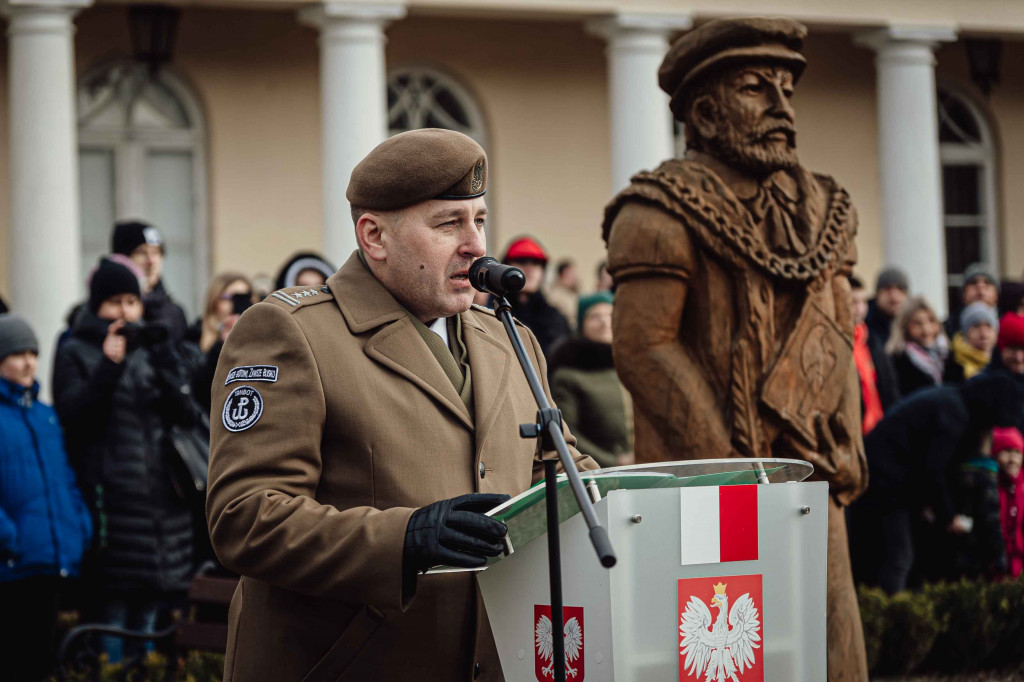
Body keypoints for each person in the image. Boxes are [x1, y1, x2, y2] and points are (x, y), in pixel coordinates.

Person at [206, 128, 596, 682]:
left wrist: (643, 501)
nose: (477, 245)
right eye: (448, 224)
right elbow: (243, 516)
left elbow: (558, 472)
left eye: (480, 220)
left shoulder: (508, 338)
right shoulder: (290, 333)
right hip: (351, 664)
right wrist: (403, 538)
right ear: (375, 237)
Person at [601, 18, 867, 678]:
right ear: (705, 112)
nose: (781, 107)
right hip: (707, 488)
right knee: (726, 651)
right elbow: (645, 347)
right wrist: (731, 465)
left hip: (811, 471)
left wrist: (851, 438)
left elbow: (836, 335)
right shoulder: (656, 212)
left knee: (833, 642)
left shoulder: (825, 209)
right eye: (756, 89)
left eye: (787, 90)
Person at [52, 257, 198, 663]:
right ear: (97, 305)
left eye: (132, 301)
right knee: (112, 619)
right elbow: (74, 418)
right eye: (114, 301)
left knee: (151, 617)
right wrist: (109, 367)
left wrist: (166, 357)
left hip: (162, 510)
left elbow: (187, 415)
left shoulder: (153, 349)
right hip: (112, 506)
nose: (124, 311)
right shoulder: (76, 349)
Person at [851, 372, 1023, 594]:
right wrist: (948, 516)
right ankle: (890, 617)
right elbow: (932, 470)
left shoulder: (951, 401)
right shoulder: (954, 414)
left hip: (883, 479)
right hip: (883, 484)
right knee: (899, 557)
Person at [0, 314, 92, 681]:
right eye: (17, 354)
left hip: (50, 561)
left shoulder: (45, 415)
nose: (28, 363)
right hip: (12, 565)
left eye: (33, 353)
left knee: (40, 665)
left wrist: (79, 526)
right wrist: (9, 538)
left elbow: (64, 479)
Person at [550, 291, 634, 468]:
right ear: (582, 324)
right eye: (595, 316)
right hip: (599, 473)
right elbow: (568, 432)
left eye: (610, 315)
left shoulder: (633, 366)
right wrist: (614, 462)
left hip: (644, 466)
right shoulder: (568, 374)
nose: (605, 322)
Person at [112, 220, 190, 344]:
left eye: (156, 252)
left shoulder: (174, 313)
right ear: (122, 259)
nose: (151, 261)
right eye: (141, 252)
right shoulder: (109, 310)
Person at [499, 236, 571, 360]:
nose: (530, 269)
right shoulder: (490, 311)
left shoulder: (555, 318)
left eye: (536, 263)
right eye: (522, 261)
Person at [850, 275, 899, 434]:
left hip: (880, 428)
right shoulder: (836, 345)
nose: (860, 308)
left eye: (863, 302)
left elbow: (889, 386)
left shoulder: (872, 340)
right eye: (853, 302)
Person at [887, 296, 949, 398]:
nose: (926, 329)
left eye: (931, 321)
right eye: (917, 324)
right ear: (905, 327)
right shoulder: (898, 360)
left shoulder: (947, 355)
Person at [994, 426, 1024, 578]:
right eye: (1006, 451)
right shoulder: (988, 489)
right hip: (992, 571)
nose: (1013, 459)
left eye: (1017, 452)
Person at [945, 301, 998, 383]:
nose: (983, 333)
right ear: (966, 333)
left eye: (988, 326)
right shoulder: (954, 364)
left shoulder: (1004, 362)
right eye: (976, 326)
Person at [944, 262, 1000, 339]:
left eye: (987, 282)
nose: (980, 286)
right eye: (973, 282)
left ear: (996, 294)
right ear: (963, 294)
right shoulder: (947, 329)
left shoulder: (1008, 328)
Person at [866, 267, 909, 348]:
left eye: (900, 289)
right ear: (878, 293)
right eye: (888, 289)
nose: (895, 297)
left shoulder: (912, 322)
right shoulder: (864, 321)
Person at [546, 259, 580, 329]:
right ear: (561, 275)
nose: (573, 278)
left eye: (574, 274)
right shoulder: (554, 294)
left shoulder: (573, 293)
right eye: (569, 274)